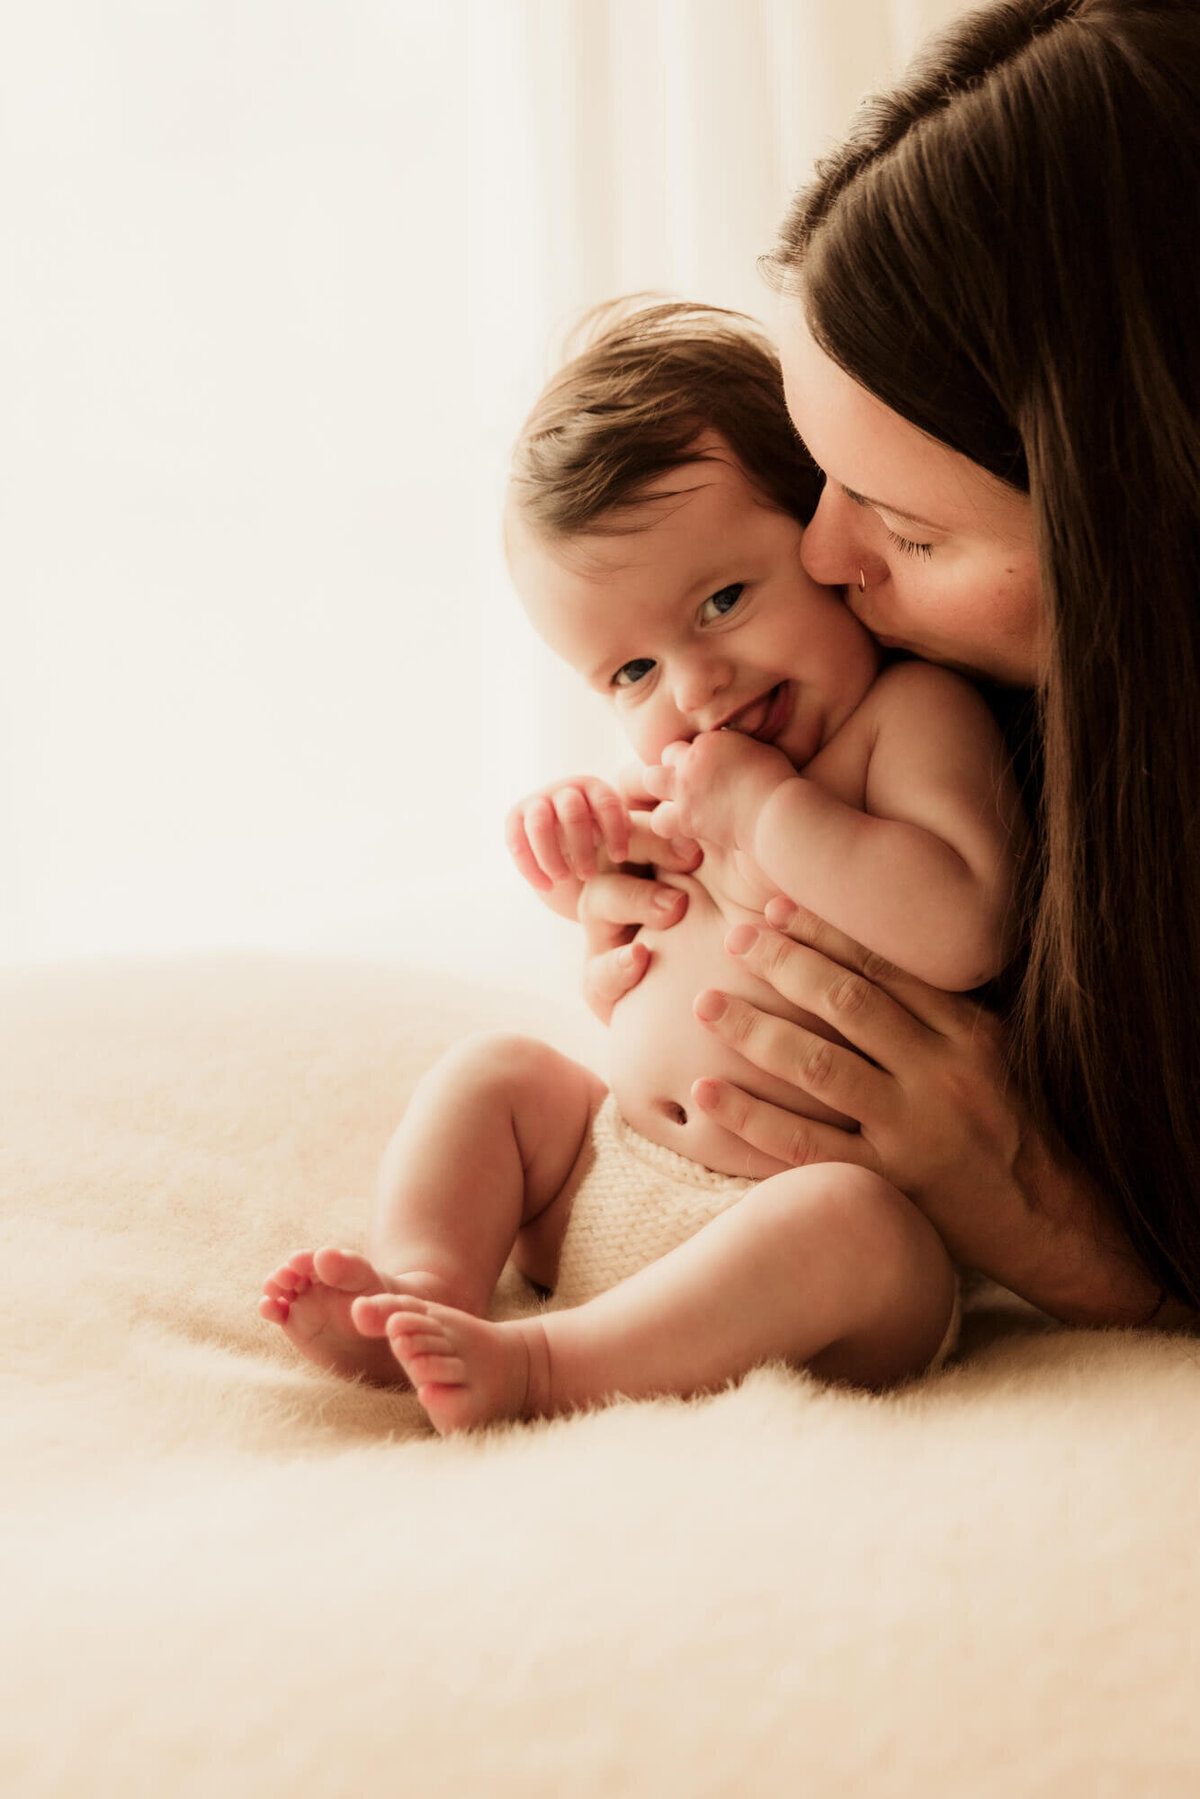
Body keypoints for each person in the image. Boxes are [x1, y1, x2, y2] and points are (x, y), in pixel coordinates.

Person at [259, 300, 1025, 1433]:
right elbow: (634, 917)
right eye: (629, 672)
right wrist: (584, 855)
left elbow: (965, 921)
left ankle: (549, 1366)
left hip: (808, 1231)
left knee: (853, 1228)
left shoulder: (901, 718)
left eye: (723, 600)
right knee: (498, 1073)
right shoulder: (696, 764)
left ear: (830, 543)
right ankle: (423, 1288)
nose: (696, 684)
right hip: (610, 1168)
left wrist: (767, 808)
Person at [576, 0, 1200, 1330]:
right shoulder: (962, 717)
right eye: (819, 486)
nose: (824, 556)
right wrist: (673, 933)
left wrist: (1066, 1234)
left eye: (908, 528)